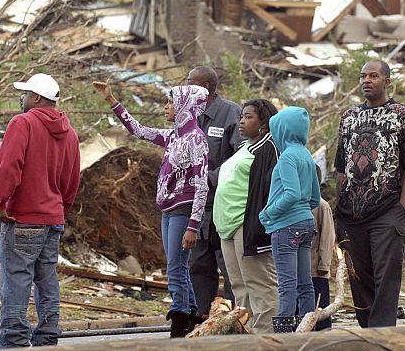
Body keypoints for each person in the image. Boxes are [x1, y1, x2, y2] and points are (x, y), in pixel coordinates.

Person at [93, 78, 209, 338]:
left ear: (184, 105)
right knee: (177, 265)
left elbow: (202, 184)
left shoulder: (196, 139)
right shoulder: (172, 136)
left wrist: (193, 224)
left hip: (183, 210)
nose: (166, 107)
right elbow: (137, 130)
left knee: (176, 266)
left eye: (170, 102)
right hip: (167, 211)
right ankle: (190, 312)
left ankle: (179, 319)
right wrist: (112, 100)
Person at [0, 73, 81, 348]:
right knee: (47, 279)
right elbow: (72, 179)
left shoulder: (23, 123)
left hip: (23, 218)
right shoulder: (70, 133)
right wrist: (59, 208)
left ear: (38, 98)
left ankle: (15, 340)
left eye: (26, 93)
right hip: (52, 218)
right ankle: (47, 336)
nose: (23, 97)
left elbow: (9, 167)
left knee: (17, 279)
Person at [334, 59, 405, 327]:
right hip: (350, 215)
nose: (366, 81)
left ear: (387, 81)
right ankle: (366, 332)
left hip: (386, 211)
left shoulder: (403, 116)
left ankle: (382, 334)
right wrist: (340, 206)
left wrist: (401, 208)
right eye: (363, 76)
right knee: (359, 276)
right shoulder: (349, 117)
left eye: (373, 76)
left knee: (386, 275)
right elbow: (340, 167)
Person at [213, 99, 280, 334]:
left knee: (259, 283)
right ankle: (247, 334)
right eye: (241, 116)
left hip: (247, 223)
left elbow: (269, 186)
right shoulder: (244, 147)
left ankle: (266, 337)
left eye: (249, 117)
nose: (241, 120)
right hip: (228, 225)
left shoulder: (268, 148)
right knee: (239, 285)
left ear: (264, 123)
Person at [258, 106, 320, 333]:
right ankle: (306, 331)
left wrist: (268, 213)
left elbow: (291, 193)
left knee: (286, 286)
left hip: (286, 226)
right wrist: (302, 211)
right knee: (305, 284)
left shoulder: (286, 158)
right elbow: (315, 198)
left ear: (283, 130)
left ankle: (283, 337)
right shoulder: (306, 155)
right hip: (305, 224)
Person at [186, 66, 241, 318]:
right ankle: (200, 320)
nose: (185, 87)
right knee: (198, 265)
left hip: (224, 206)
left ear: (205, 87)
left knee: (229, 266)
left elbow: (241, 157)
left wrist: (208, 179)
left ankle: (234, 320)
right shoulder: (187, 115)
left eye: (190, 83)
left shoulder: (231, 113)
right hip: (196, 209)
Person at [308, 164, 335, 331]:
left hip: (317, 269)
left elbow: (327, 238)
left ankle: (324, 337)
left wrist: (324, 265)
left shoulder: (321, 205)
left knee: (321, 308)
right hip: (301, 269)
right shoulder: (298, 203)